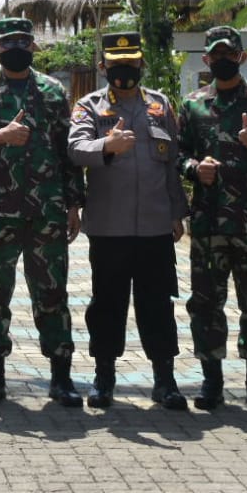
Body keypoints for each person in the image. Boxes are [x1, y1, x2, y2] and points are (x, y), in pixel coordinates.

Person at [0, 17, 84, 408]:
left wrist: (75, 203)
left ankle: (61, 377)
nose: (17, 49)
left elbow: (68, 152)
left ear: (33, 47)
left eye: (24, 43)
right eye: (9, 43)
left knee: (53, 294)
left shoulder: (52, 90)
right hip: (0, 213)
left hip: (48, 211)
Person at [68, 31, 189, 410]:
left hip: (154, 225)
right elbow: (75, 148)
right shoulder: (88, 106)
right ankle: (104, 378)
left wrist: (176, 211)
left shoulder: (159, 105)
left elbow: (171, 162)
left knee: (157, 303)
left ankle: (164, 380)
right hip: (109, 226)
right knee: (107, 303)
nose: (124, 70)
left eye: (131, 62)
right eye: (116, 64)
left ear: (142, 64)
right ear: (103, 67)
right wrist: (106, 145)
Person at [177, 26, 247, 412]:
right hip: (209, 223)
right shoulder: (192, 105)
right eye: (216, 54)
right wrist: (194, 168)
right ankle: (212, 382)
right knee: (206, 304)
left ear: (241, 57)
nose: (223, 59)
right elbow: (176, 154)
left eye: (230, 53)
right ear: (207, 59)